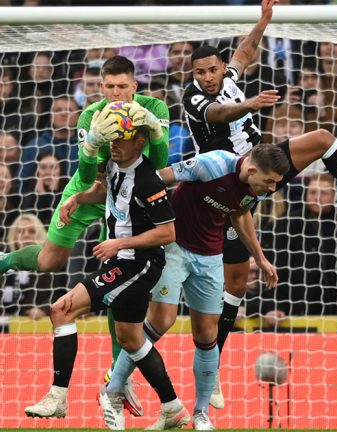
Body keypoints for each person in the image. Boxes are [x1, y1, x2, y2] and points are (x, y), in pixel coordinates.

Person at [178, 0, 337, 410]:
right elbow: (220, 113)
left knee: (321, 139)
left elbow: (245, 52)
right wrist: (250, 105)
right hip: (227, 186)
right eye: (200, 73)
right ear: (191, 75)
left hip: (260, 166)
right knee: (235, 285)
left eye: (212, 70)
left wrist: (263, 21)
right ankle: (213, 367)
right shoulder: (193, 98)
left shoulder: (228, 74)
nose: (208, 78)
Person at [0, 55, 169, 417]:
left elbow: (158, 162)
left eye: (122, 87)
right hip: (90, 190)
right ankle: (0, 262)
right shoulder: (89, 115)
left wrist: (155, 130)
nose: (115, 95)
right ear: (100, 87)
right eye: (108, 87)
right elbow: (88, 171)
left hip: (126, 197)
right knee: (50, 261)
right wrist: (93, 142)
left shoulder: (153, 108)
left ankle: (119, 378)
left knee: (119, 279)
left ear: (134, 87)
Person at [101, 144, 285, 430]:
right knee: (162, 320)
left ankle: (201, 414)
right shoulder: (210, 165)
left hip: (211, 255)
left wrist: (260, 258)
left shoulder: (255, 188)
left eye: (275, 183)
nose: (272, 188)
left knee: (207, 332)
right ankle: (113, 388)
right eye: (270, 181)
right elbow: (159, 178)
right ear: (251, 169)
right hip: (173, 248)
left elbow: (239, 213)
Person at [24, 112, 189, 430]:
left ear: (140, 142)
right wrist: (79, 198)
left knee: (61, 310)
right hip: (124, 260)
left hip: (137, 263)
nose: (114, 146)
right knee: (130, 339)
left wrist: (118, 243)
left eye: (121, 140)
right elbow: (105, 191)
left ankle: (58, 397)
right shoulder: (114, 166)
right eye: (112, 139)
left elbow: (168, 233)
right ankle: (173, 408)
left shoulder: (148, 181)